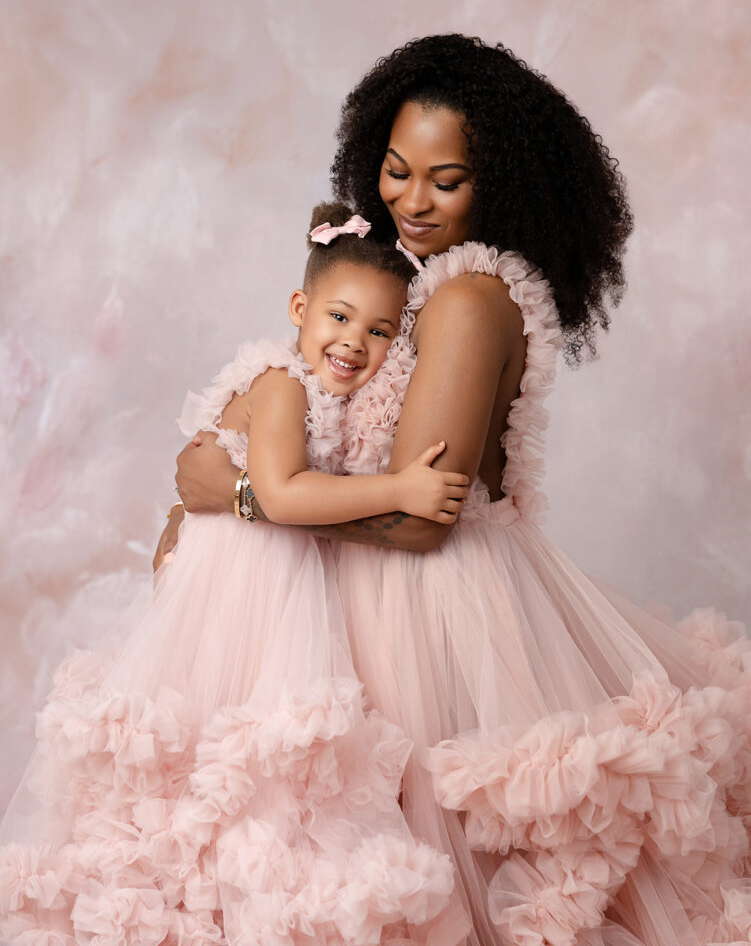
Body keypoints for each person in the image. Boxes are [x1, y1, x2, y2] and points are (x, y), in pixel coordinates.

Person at [166, 35, 751, 946]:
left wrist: (241, 494)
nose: (411, 199)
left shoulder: (468, 298)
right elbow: (324, 413)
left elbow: (413, 513)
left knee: (428, 868)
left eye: (447, 179)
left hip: (430, 611)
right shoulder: (404, 284)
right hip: (347, 598)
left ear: (501, 183)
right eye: (396, 171)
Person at [0, 202, 473, 945]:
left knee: (252, 769)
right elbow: (282, 493)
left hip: (255, 584)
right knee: (238, 752)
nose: (354, 343)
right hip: (244, 592)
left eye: (379, 332)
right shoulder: (282, 383)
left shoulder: (313, 388)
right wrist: (400, 490)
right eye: (340, 318)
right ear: (299, 308)